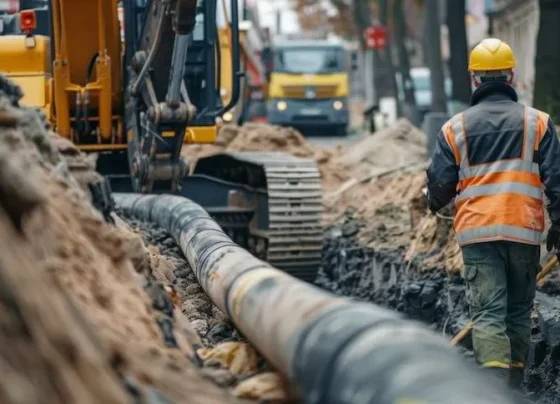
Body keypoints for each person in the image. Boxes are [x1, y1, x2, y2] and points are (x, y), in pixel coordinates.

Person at [426, 38, 560, 387]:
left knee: (487, 314)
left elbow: (439, 187)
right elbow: (557, 182)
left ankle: (493, 391)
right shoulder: (540, 123)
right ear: (512, 75)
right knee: (517, 313)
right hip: (524, 232)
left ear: (475, 79)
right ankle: (513, 387)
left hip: (479, 234)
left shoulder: (454, 128)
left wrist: (431, 199)